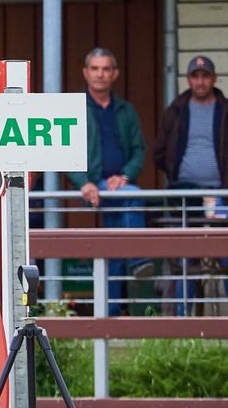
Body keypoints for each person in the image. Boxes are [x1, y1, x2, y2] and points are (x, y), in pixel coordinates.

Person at [64, 47, 148, 315]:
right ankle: (138, 259)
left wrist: (124, 176)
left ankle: (109, 312)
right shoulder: (75, 108)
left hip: (119, 184)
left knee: (113, 243)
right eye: (95, 69)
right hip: (92, 185)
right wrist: (82, 183)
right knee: (133, 199)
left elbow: (140, 150)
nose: (100, 74)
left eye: (106, 69)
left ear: (115, 74)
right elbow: (65, 151)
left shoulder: (126, 110)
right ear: (85, 73)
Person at [153, 55, 228, 312]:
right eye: (195, 76)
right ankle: (184, 318)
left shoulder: (225, 109)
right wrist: (177, 175)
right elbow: (159, 153)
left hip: (222, 194)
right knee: (185, 256)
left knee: (225, 252)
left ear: (214, 78)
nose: (200, 81)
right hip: (184, 194)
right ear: (189, 80)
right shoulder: (176, 110)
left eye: (205, 76)